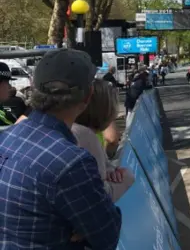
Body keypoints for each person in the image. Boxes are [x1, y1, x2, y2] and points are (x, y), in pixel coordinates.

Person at [0, 49, 122, 249]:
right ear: (88, 96)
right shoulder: (71, 162)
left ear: (33, 87)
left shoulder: (5, 138)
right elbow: (107, 235)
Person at [72, 79, 134, 202]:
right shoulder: (85, 136)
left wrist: (109, 170)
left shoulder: (73, 130)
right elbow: (101, 197)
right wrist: (127, 177)